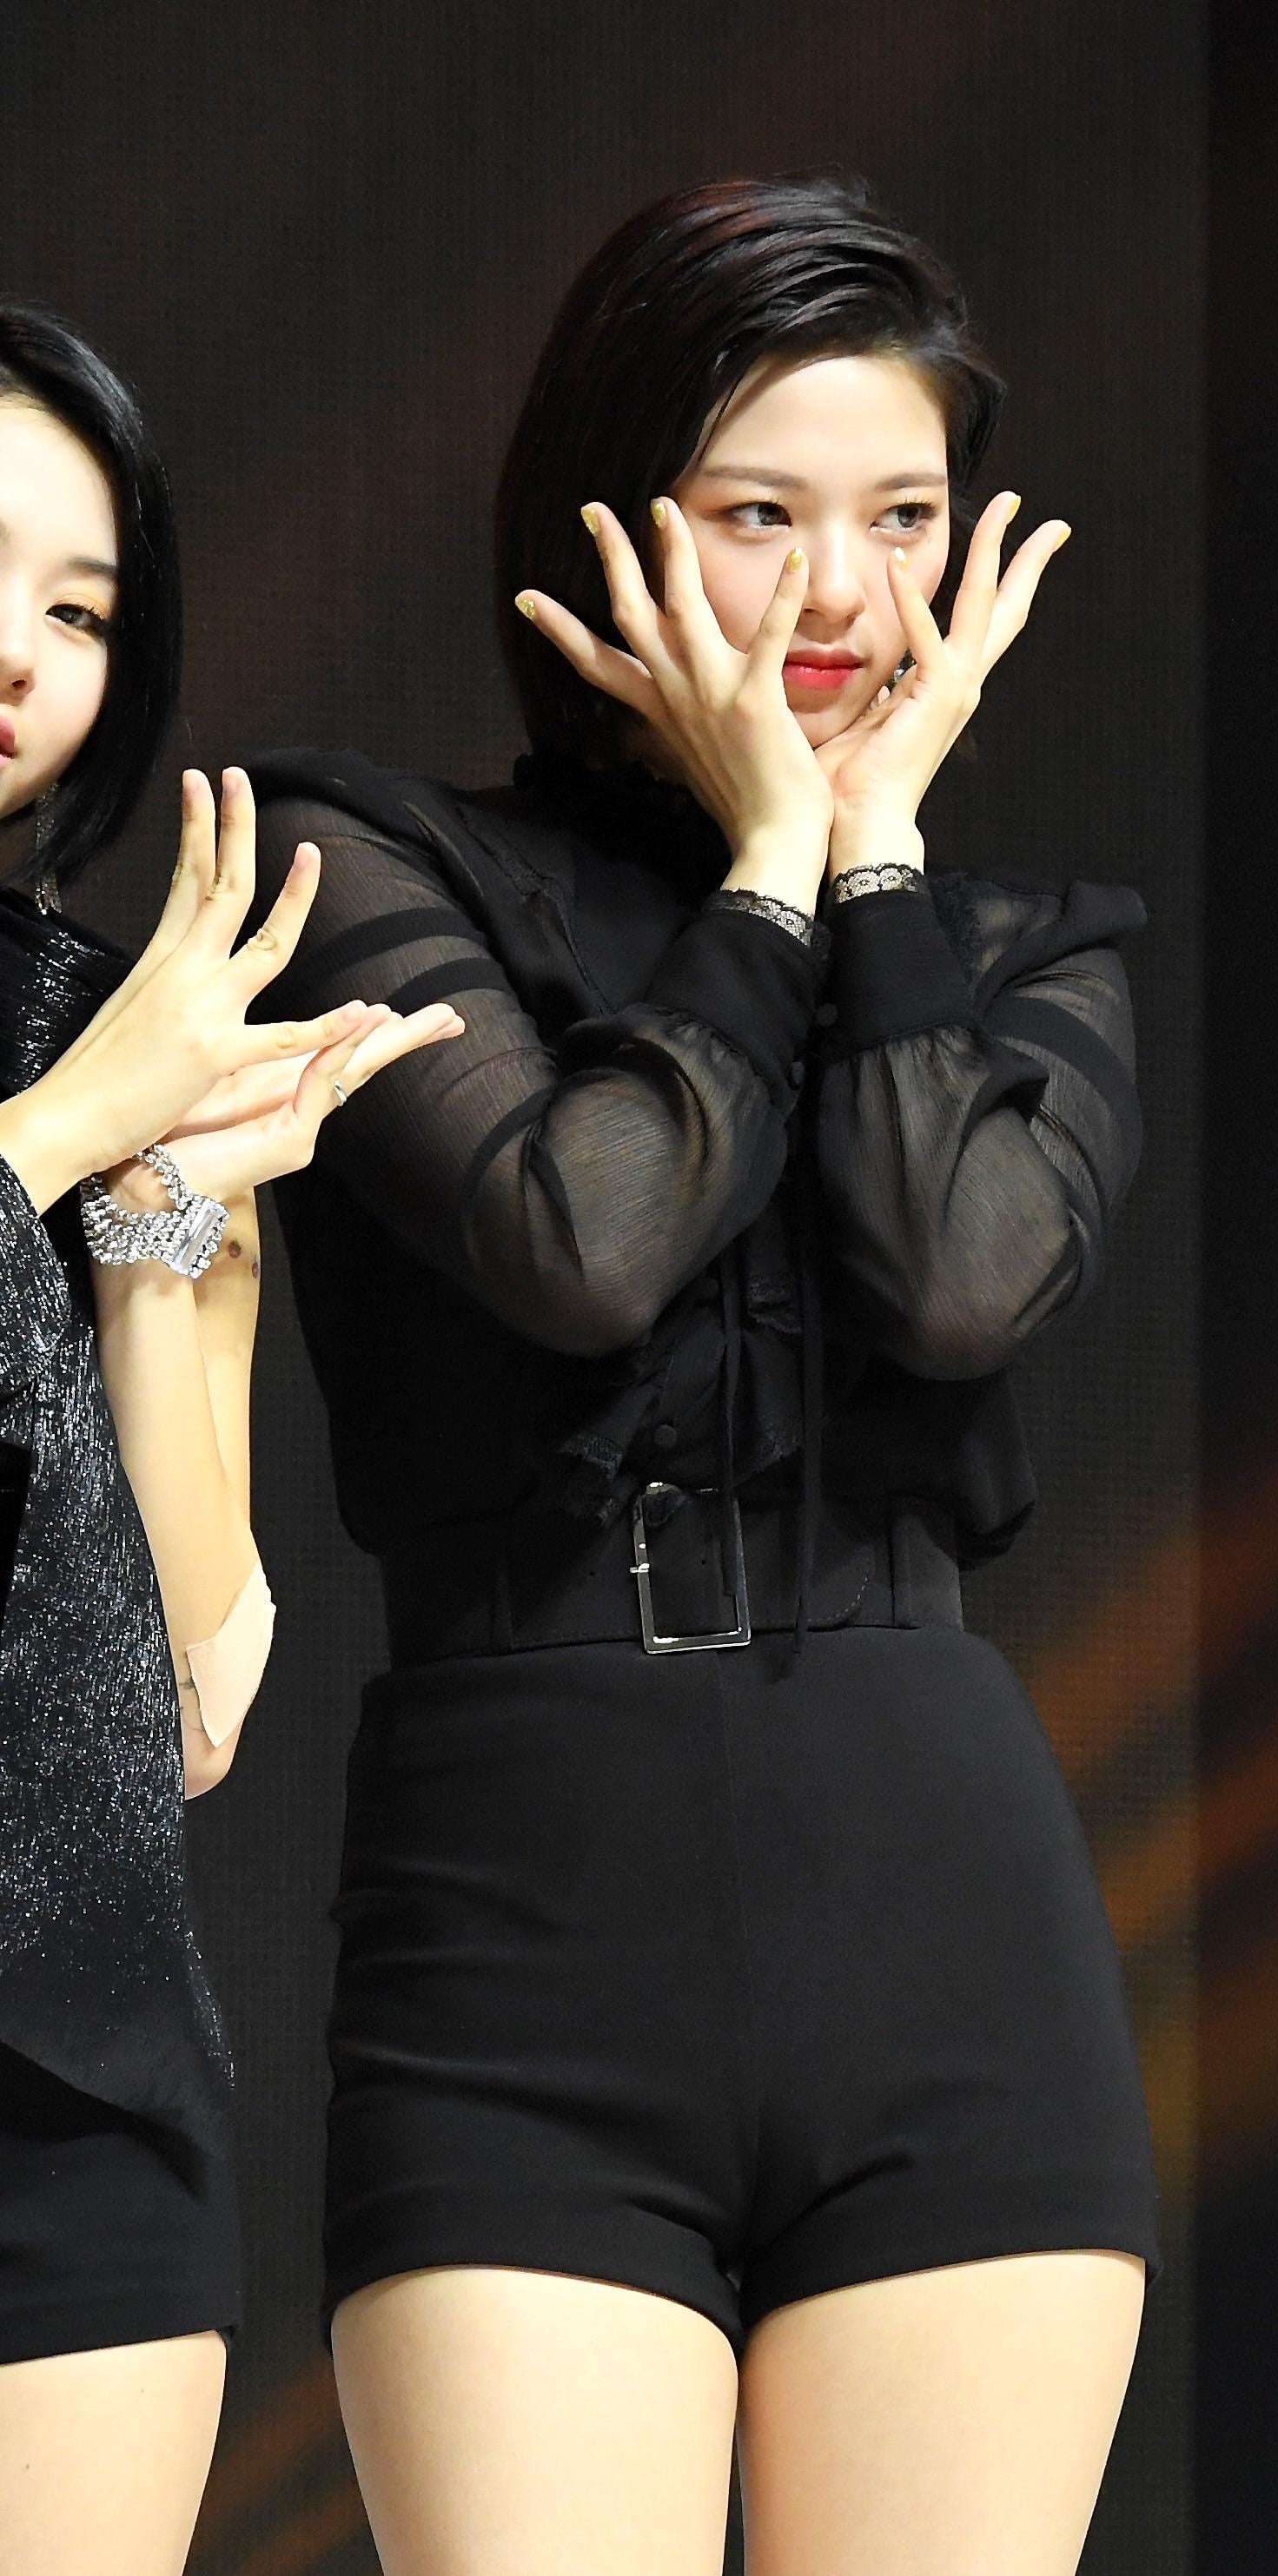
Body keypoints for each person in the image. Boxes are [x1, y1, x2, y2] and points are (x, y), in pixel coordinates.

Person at [250, 174, 1159, 2576]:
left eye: (905, 520)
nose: (842, 594)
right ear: (608, 515)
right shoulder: (375, 866)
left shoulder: (1027, 958)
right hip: (521, 1935)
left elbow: (951, 1289)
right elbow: (584, 1240)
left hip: (942, 1924)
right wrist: (765, 869)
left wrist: (867, 877)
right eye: (761, 514)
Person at [0, 303, 462, 2576]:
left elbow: (192, 1696)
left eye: (80, 611)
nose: (20, 654)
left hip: (70, 2088)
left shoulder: (120, 1033)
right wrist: (60, 1138)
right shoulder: (98, 1067)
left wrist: (159, 1222)